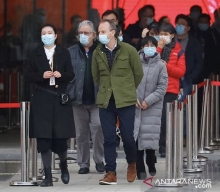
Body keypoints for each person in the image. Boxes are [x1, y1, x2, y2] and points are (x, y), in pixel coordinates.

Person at [92, 19, 143, 185]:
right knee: (108, 138)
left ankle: (132, 163)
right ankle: (110, 172)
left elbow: (138, 74)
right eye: (99, 32)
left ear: (112, 33)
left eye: (102, 31)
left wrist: (126, 89)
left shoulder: (129, 50)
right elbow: (96, 76)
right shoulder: (97, 52)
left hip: (125, 100)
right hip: (106, 101)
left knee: (128, 136)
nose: (99, 35)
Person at [24, 24, 75, 187]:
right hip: (42, 99)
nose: (47, 35)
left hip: (59, 98)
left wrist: (61, 75)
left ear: (55, 36)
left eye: (50, 33)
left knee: (60, 138)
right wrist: (41, 75)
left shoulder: (63, 53)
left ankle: (64, 165)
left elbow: (71, 74)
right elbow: (27, 75)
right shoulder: (34, 54)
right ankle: (46, 175)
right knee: (43, 138)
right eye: (44, 33)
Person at [67, 20, 104, 174]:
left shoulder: (102, 51)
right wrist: (70, 91)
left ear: (94, 35)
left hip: (97, 98)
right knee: (81, 133)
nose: (83, 36)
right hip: (78, 98)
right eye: (80, 33)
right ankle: (83, 164)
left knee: (98, 127)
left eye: (86, 33)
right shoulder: (71, 52)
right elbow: (66, 74)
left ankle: (99, 160)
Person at [134, 36, 168, 180]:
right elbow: (128, 81)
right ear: (141, 47)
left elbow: (162, 88)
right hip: (135, 105)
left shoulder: (161, 65)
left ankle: (150, 159)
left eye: (152, 45)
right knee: (136, 136)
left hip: (152, 106)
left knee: (149, 136)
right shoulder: (134, 62)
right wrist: (133, 97)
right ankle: (139, 165)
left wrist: (148, 101)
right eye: (146, 45)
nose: (149, 47)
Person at [157, 23, 186, 157]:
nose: (162, 37)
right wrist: (159, 48)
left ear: (172, 36)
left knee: (164, 119)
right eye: (161, 34)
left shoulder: (178, 50)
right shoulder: (156, 47)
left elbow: (181, 71)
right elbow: (149, 63)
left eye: (165, 34)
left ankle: (164, 145)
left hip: (170, 89)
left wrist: (166, 66)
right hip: (154, 88)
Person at [175, 14, 203, 142]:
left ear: (188, 28)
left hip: (186, 79)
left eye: (182, 24)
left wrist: (191, 77)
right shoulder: (171, 41)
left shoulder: (194, 43)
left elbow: (199, 62)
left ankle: (184, 135)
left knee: (184, 108)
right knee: (171, 107)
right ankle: (171, 134)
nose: (179, 26)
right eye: (178, 23)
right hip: (172, 78)